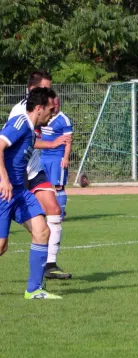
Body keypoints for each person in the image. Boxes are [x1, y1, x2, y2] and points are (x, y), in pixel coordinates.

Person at [0, 87, 63, 299]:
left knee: (42, 231)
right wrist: (5, 180)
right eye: (49, 110)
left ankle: (34, 289)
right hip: (4, 192)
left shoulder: (31, 130)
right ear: (38, 108)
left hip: (19, 192)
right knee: (1, 246)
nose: (51, 114)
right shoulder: (19, 123)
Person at [9, 70, 72, 279]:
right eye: (45, 88)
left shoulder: (43, 111)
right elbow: (18, 140)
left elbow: (32, 140)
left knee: (54, 209)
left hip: (34, 169)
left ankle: (49, 266)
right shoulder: (20, 113)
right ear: (32, 89)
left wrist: (52, 143)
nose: (49, 93)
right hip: (17, 174)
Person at [40, 94, 72, 220]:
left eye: (57, 104)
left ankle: (61, 213)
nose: (56, 106)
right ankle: (46, 211)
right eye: (53, 104)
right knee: (43, 185)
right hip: (43, 157)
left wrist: (65, 157)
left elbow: (69, 141)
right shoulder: (43, 117)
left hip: (57, 157)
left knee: (59, 186)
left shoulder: (63, 120)